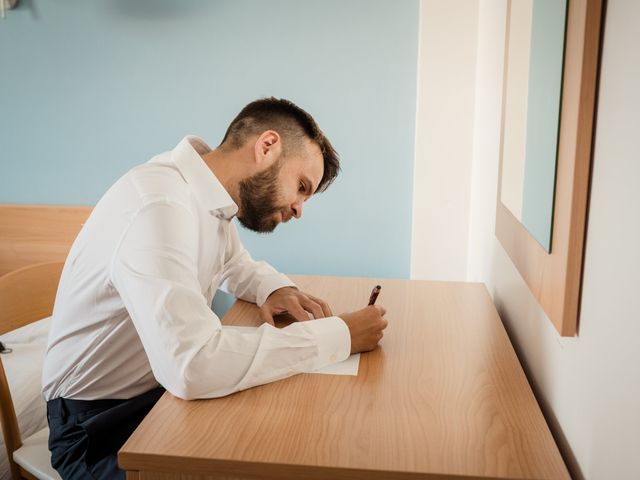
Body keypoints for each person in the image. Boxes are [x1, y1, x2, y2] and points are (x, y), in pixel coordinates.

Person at [42, 97, 388, 479]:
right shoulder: (159, 205)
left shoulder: (205, 193)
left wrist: (273, 289)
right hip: (98, 428)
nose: (299, 209)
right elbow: (192, 364)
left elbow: (232, 263)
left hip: (156, 397)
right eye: (301, 186)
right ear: (267, 146)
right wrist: (338, 336)